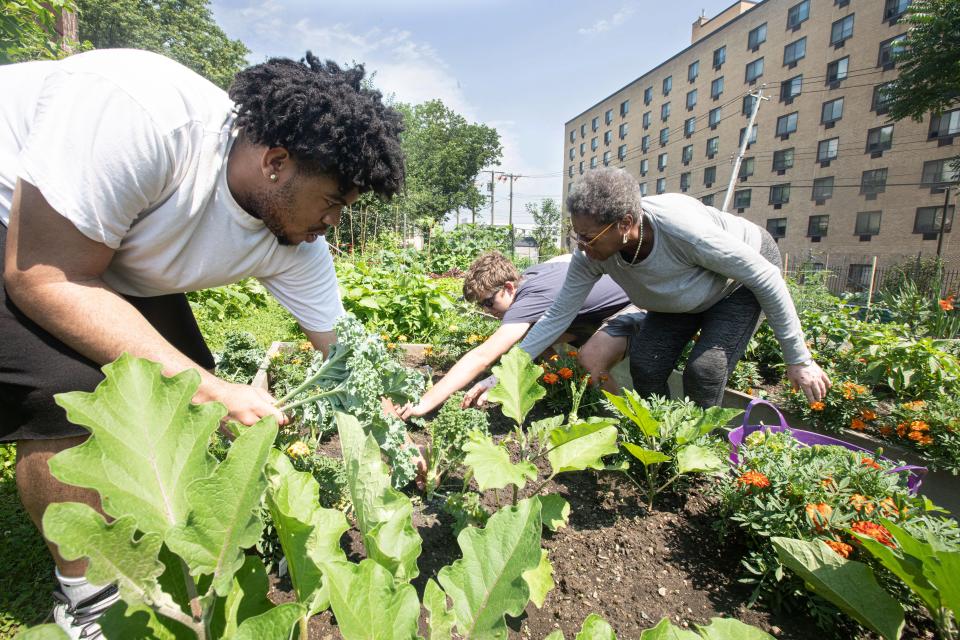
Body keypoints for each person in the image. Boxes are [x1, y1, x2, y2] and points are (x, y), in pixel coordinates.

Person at [0, 49, 404, 638]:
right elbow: (44, 277)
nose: (335, 223)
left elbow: (340, 348)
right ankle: (90, 593)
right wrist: (213, 391)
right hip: (24, 218)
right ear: (276, 162)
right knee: (68, 392)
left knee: (180, 379)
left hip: (100, 242)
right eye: (334, 202)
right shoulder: (145, 121)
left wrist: (389, 422)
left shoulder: (296, 237)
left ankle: (140, 521)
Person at [466, 167, 830, 410]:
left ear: (626, 223)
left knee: (704, 371)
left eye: (589, 236)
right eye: (576, 234)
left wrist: (799, 359)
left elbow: (765, 276)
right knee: (646, 364)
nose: (581, 245)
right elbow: (555, 317)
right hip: (681, 294)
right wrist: (502, 374)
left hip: (736, 284)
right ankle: (655, 438)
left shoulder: (683, 230)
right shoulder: (592, 254)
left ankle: (698, 457)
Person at [398, 250, 641, 419]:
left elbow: (481, 356)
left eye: (489, 303)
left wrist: (425, 403)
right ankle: (560, 391)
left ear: (508, 288)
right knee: (532, 337)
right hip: (598, 312)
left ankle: (623, 418)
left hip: (638, 304)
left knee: (591, 359)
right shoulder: (529, 276)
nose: (488, 311)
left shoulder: (529, 299)